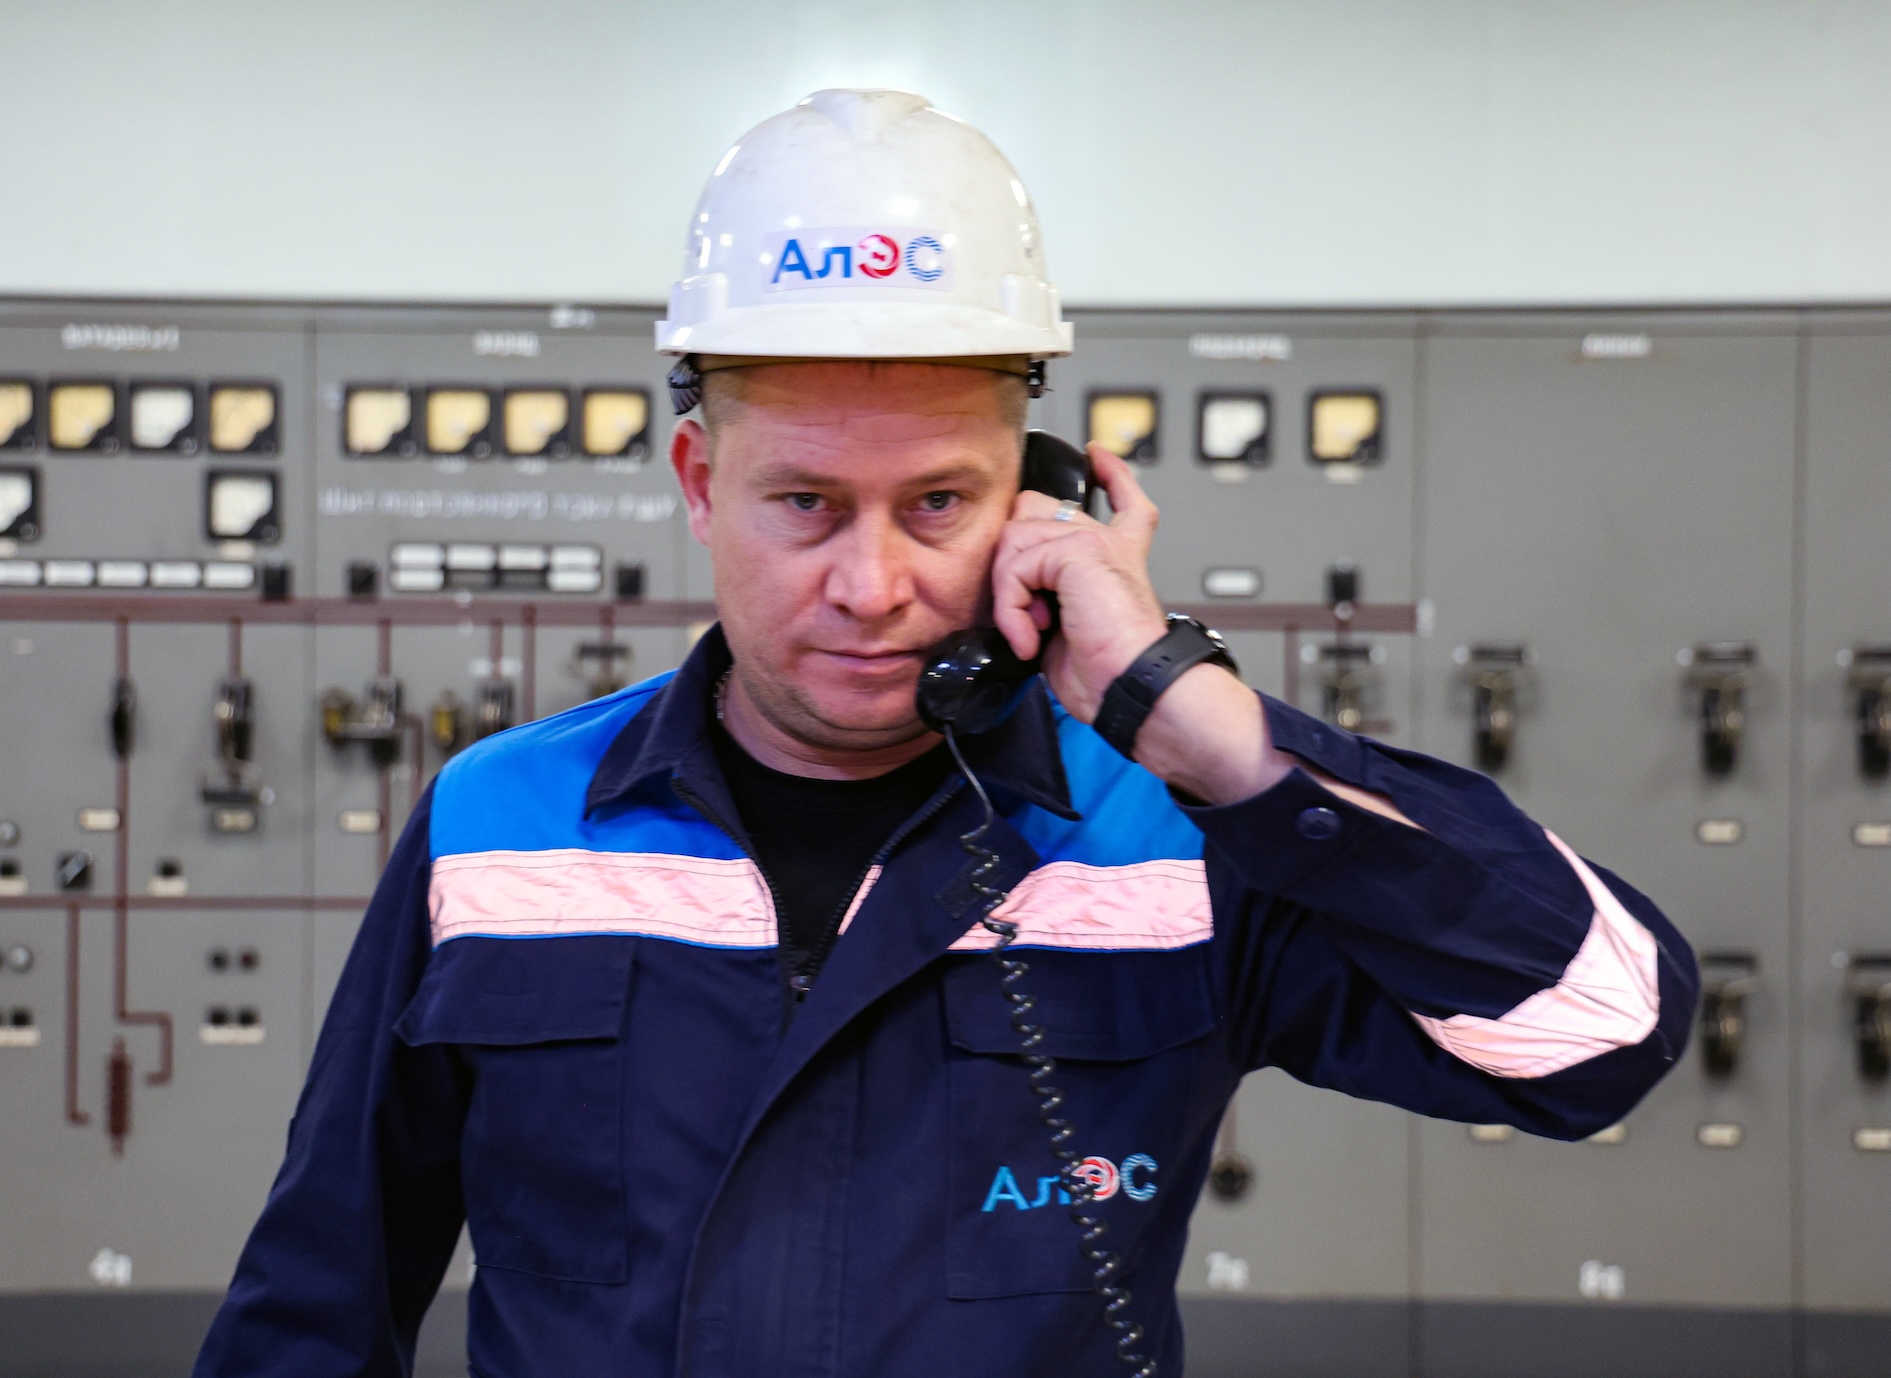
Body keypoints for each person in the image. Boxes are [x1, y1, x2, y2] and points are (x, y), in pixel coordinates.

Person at [194, 89, 1694, 1378]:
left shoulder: (1170, 835)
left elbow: (1601, 1035)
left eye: (937, 504)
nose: (872, 584)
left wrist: (1216, 733)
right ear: (700, 482)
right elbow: (319, 1302)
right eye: (804, 504)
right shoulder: (500, 823)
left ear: (1038, 500)